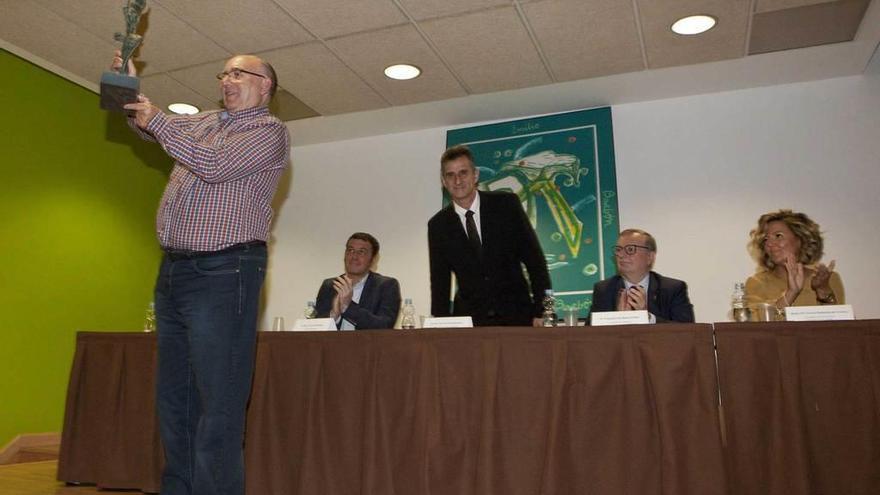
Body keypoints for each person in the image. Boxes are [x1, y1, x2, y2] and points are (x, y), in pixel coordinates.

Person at [114, 51, 289, 495]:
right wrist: (129, 90)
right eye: (224, 73)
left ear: (265, 86)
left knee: (220, 402)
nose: (227, 80)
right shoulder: (207, 122)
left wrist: (158, 119)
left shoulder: (269, 132)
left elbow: (211, 165)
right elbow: (150, 128)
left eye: (239, 73)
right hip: (174, 271)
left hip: (225, 270)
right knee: (176, 398)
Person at [428, 145, 551, 326]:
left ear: (475, 175)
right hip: (470, 323)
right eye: (450, 175)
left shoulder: (506, 205)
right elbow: (440, 282)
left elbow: (535, 261)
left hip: (517, 315)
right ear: (444, 181)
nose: (457, 180)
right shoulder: (438, 225)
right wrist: (441, 325)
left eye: (463, 172)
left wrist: (542, 312)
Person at [588, 229, 695, 324]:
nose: (621, 255)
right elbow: (589, 335)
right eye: (618, 250)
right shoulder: (604, 290)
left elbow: (687, 331)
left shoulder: (672, 289)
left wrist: (647, 318)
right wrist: (618, 319)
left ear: (650, 257)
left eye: (630, 249)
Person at [745, 209, 844, 309]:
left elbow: (839, 322)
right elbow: (761, 322)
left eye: (778, 236)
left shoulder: (829, 279)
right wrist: (791, 293)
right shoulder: (757, 283)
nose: (769, 244)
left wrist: (822, 289)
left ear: (800, 240)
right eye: (766, 239)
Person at [314, 232, 401, 330]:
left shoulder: (387, 286)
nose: (354, 256)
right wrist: (334, 315)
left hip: (369, 345)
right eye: (350, 250)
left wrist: (348, 306)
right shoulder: (330, 285)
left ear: (373, 259)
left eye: (361, 252)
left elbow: (385, 326)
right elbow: (316, 326)